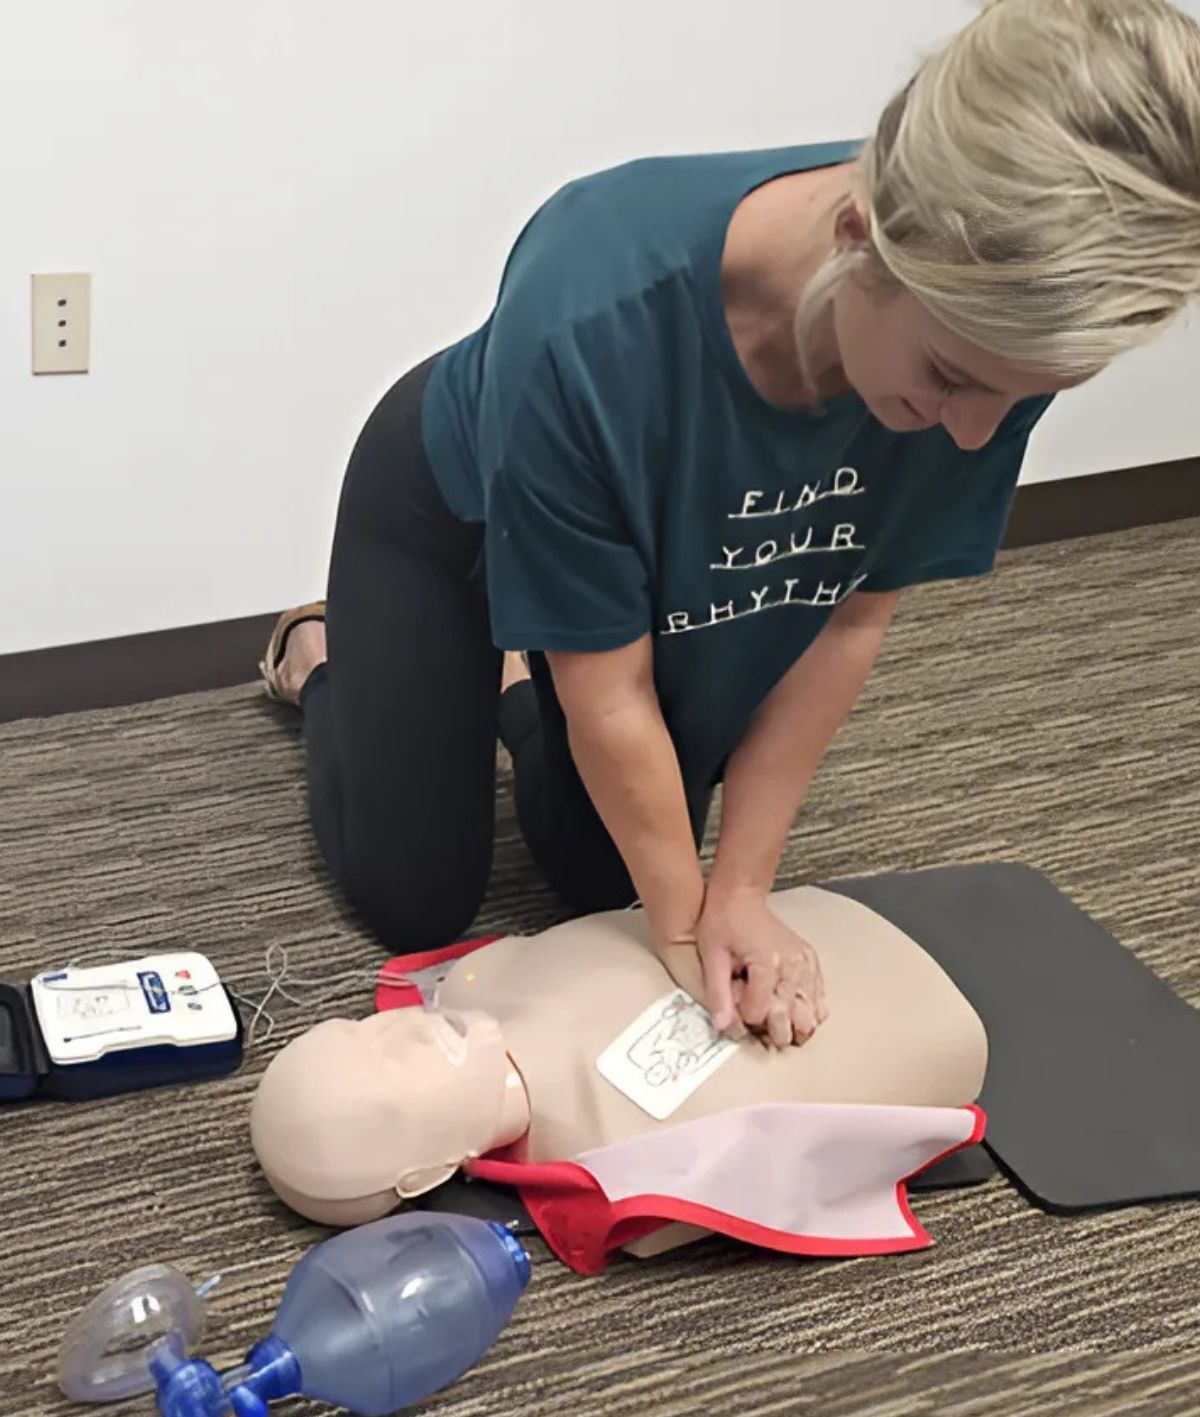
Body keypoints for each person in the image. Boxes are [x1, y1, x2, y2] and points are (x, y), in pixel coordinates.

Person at [259, 0, 1200, 1046]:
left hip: (674, 551)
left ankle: (521, 673)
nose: (976, 439)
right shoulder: (593, 308)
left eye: (1023, 397)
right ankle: (329, 655)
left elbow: (846, 615)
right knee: (414, 896)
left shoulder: (1002, 326)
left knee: (591, 876)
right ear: (858, 240)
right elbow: (612, 695)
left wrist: (742, 889)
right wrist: (682, 931)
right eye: (954, 378)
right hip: (451, 517)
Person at [250, 885, 987, 1271]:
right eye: (388, 1069)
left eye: (360, 1032)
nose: (397, 1029)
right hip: (921, 1019)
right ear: (423, 1175)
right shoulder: (628, 1174)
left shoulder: (476, 984)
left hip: (806, 927)